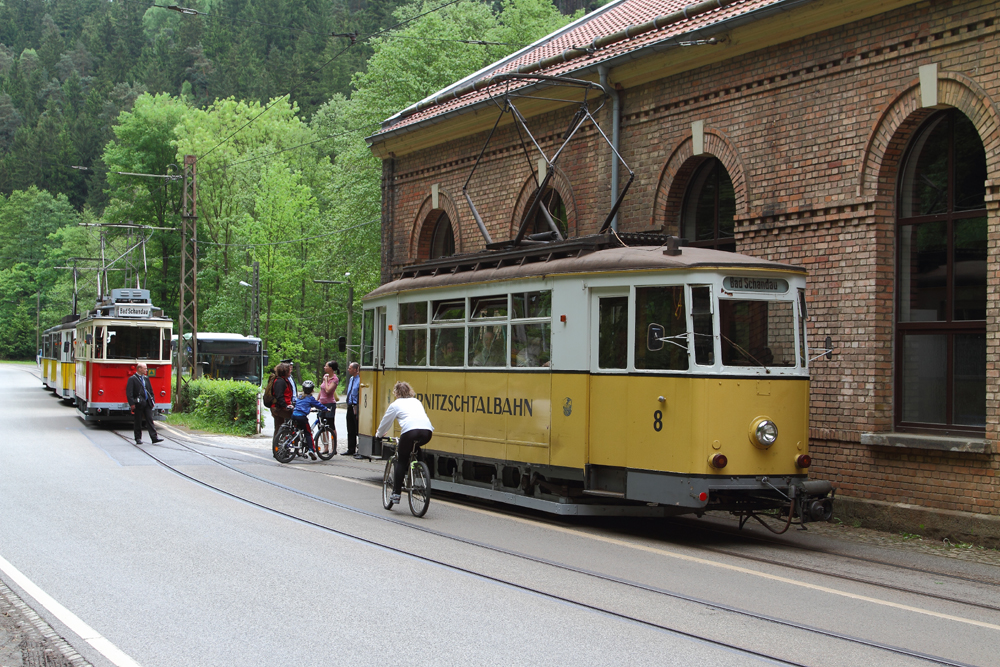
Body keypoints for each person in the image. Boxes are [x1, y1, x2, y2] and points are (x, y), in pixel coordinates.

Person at [376, 381, 434, 505]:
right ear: (410, 391)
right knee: (415, 445)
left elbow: (385, 422)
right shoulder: (417, 402)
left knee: (401, 460)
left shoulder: (395, 404)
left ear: (396, 393)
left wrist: (379, 435)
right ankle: (420, 465)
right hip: (427, 432)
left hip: (410, 431)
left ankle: (396, 494)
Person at [126, 363, 163, 445]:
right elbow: (129, 393)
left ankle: (154, 438)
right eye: (145, 368)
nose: (146, 370)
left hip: (147, 403)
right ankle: (138, 438)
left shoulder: (146, 378)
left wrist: (152, 400)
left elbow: (150, 390)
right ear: (139, 369)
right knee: (138, 421)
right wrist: (132, 404)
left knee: (150, 420)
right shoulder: (132, 379)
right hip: (138, 403)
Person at [291, 380, 329, 461]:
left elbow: (299, 405)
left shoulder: (300, 396)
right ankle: (311, 450)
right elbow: (318, 405)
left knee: (297, 430)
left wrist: (308, 409)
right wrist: (326, 409)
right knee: (308, 433)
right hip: (302, 417)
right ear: (312, 390)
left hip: (294, 415)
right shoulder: (310, 398)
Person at [270, 363, 295, 452]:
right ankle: (278, 449)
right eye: (289, 370)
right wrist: (286, 406)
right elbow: (279, 396)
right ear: (285, 371)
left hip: (281, 407)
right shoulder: (280, 382)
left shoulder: (284, 380)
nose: (290, 371)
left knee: (280, 428)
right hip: (279, 408)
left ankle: (280, 449)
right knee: (280, 428)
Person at [318, 361, 339, 455]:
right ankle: (325, 446)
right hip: (321, 403)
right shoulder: (325, 376)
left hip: (330, 404)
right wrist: (316, 400)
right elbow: (321, 389)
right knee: (322, 425)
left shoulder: (335, 379)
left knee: (330, 425)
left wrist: (326, 380)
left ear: (331, 368)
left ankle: (334, 448)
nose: (324, 367)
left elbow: (327, 390)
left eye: (326, 366)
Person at [344, 362, 361, 457]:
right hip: (350, 406)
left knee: (357, 428)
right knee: (350, 428)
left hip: (356, 406)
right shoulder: (351, 379)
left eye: (350, 368)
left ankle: (359, 449)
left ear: (355, 369)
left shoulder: (360, 379)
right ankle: (351, 449)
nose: (348, 369)